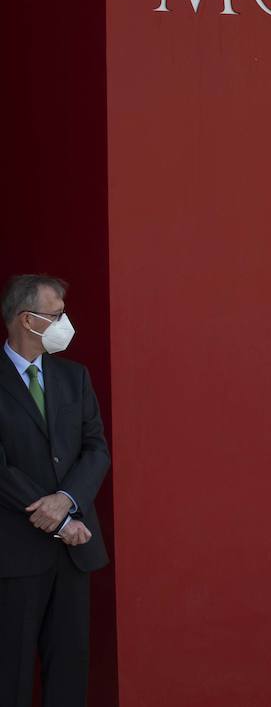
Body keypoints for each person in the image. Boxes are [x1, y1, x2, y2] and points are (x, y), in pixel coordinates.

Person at [0, 275, 111, 707]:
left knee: (69, 670)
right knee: (11, 673)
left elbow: (96, 449)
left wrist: (67, 502)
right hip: (15, 553)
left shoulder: (73, 377)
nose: (66, 323)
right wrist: (57, 519)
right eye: (57, 314)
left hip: (73, 550)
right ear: (28, 320)